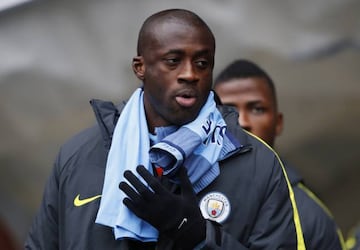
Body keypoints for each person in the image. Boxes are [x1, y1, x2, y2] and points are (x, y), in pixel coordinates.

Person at [25, 9, 305, 249]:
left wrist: (197, 235)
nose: (190, 74)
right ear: (140, 67)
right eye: (173, 61)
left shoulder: (258, 163)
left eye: (202, 63)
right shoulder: (78, 156)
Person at [214, 59, 347, 250]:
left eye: (257, 109)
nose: (242, 121)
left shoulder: (310, 216)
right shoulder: (178, 188)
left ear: (278, 123)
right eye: (228, 110)